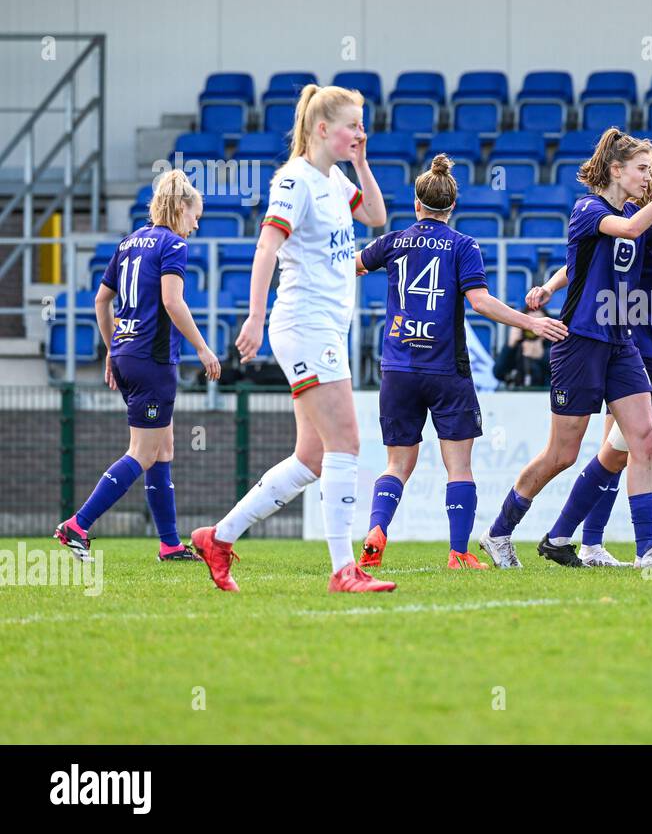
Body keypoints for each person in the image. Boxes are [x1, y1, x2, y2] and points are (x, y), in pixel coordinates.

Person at [191, 84, 391, 593]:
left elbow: (376, 217)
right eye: (352, 125)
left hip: (324, 328)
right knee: (347, 441)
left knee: (312, 457)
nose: (359, 133)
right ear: (322, 128)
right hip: (305, 325)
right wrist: (255, 316)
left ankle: (219, 537)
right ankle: (345, 569)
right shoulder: (295, 181)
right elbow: (265, 248)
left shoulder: (334, 177)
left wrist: (362, 161)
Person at [476, 131, 652, 569]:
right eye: (640, 169)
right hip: (580, 344)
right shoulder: (589, 210)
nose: (647, 177)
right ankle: (498, 532)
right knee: (562, 454)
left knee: (646, 438)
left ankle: (648, 549)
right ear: (616, 170)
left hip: (621, 343)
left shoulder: (639, 214)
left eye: (651, 171)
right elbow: (630, 229)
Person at [356, 155, 568, 571]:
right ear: (451, 208)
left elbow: (356, 266)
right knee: (460, 466)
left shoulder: (394, 241)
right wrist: (531, 323)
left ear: (417, 205)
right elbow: (481, 302)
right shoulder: (463, 246)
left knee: (397, 464)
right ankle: (458, 553)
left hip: (398, 368)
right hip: (445, 369)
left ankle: (377, 530)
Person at [528, 147, 652, 568]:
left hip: (649, 353)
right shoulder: (648, 224)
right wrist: (549, 286)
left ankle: (576, 538)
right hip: (639, 352)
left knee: (625, 453)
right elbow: (587, 260)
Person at [53, 170, 222, 562]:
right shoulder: (173, 244)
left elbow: (100, 299)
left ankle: (170, 544)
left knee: (163, 450)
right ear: (180, 207)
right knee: (143, 453)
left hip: (128, 354)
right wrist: (203, 348)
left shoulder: (128, 242)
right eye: (195, 214)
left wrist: (113, 348)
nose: (196, 223)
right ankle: (76, 526)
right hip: (153, 358)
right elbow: (173, 302)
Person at [493, 314, 552, 389]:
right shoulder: (516, 345)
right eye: (530, 323)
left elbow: (563, 372)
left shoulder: (553, 343)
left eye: (540, 322)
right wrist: (510, 345)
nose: (534, 328)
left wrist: (542, 355)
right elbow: (498, 373)